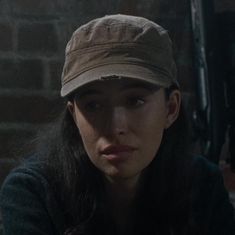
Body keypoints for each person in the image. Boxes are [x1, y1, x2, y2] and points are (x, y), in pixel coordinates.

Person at [0, 14, 234, 235]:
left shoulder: (203, 187)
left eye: (135, 101)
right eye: (93, 105)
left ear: (170, 108)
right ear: (74, 115)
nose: (115, 127)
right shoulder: (35, 193)